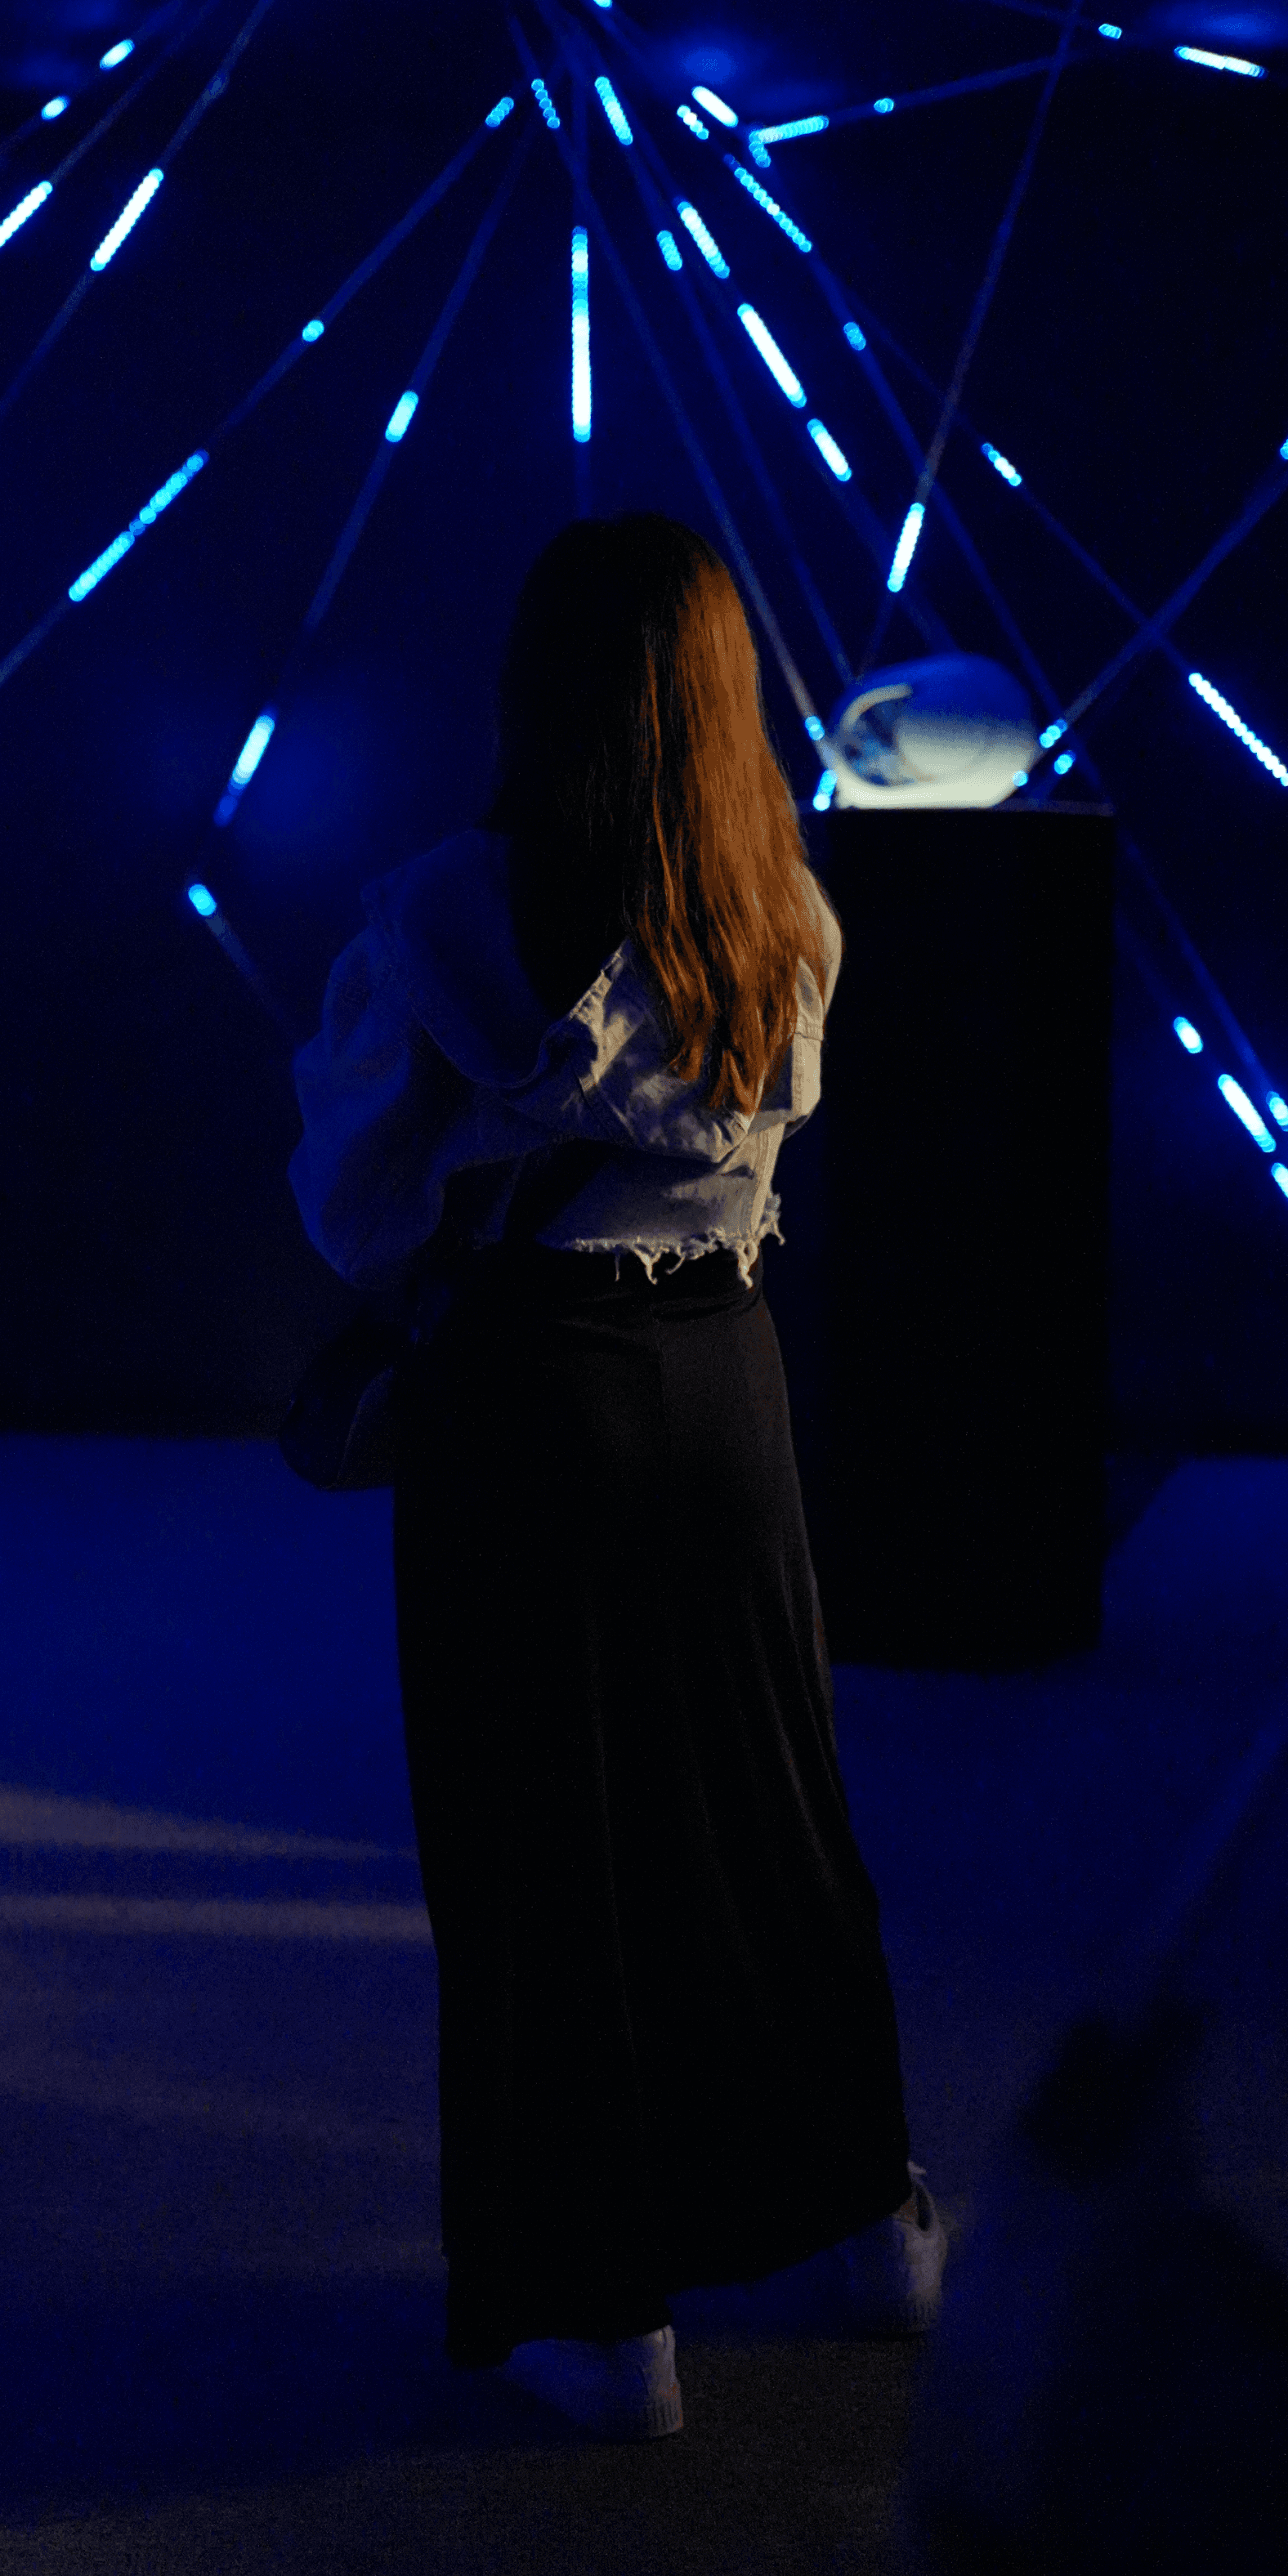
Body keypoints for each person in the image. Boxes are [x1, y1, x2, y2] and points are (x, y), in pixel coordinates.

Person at [288, 513, 943, 2440]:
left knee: (536, 1848)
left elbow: (352, 1201)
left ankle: (601, 2315)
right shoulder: (786, 912)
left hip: (533, 1399)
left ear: (532, 691)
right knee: (774, 1807)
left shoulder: (439, 916)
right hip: (730, 1383)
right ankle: (869, 2220)